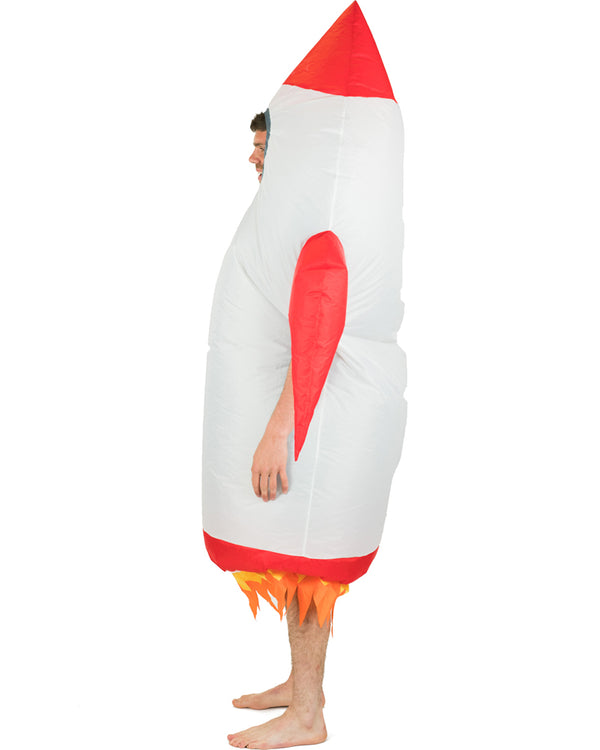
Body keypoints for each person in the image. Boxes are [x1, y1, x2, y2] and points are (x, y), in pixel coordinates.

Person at [226, 113, 331, 749]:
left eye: (262, 148)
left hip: (308, 418)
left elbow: (318, 321)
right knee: (295, 556)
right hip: (296, 413)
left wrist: (278, 429)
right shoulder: (287, 215)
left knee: (309, 561)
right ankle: (301, 684)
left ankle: (308, 715)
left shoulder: (312, 221)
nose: (252, 158)